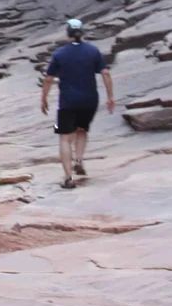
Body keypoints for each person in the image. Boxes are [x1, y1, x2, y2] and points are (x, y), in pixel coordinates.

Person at [40, 18, 116, 189]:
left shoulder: (59, 54)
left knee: (65, 138)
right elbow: (105, 73)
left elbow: (48, 79)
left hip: (68, 101)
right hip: (90, 100)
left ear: (67, 33)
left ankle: (68, 178)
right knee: (82, 129)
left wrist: (43, 98)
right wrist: (111, 97)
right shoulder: (93, 51)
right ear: (82, 33)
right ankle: (79, 160)